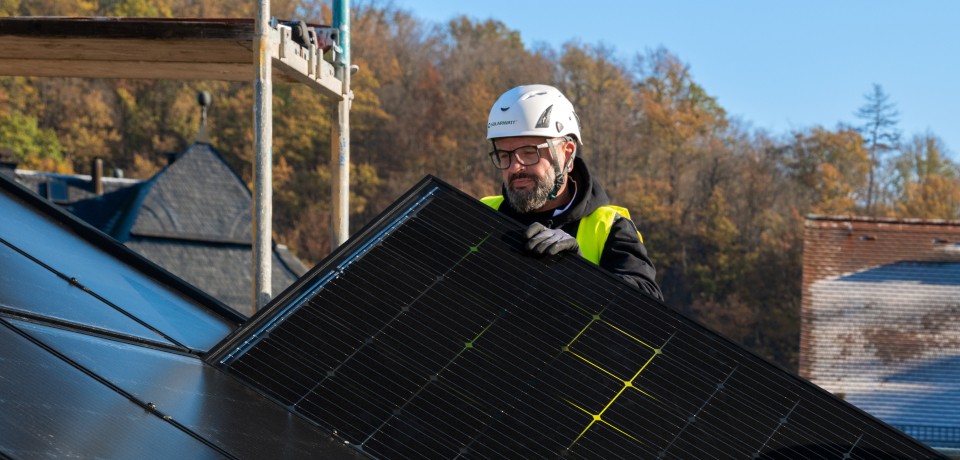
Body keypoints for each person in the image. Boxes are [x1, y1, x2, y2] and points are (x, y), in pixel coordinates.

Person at [482, 85, 663, 300]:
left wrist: (580, 273)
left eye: (528, 153)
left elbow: (647, 310)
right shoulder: (482, 212)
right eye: (504, 155)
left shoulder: (610, 229)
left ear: (566, 155)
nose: (514, 167)